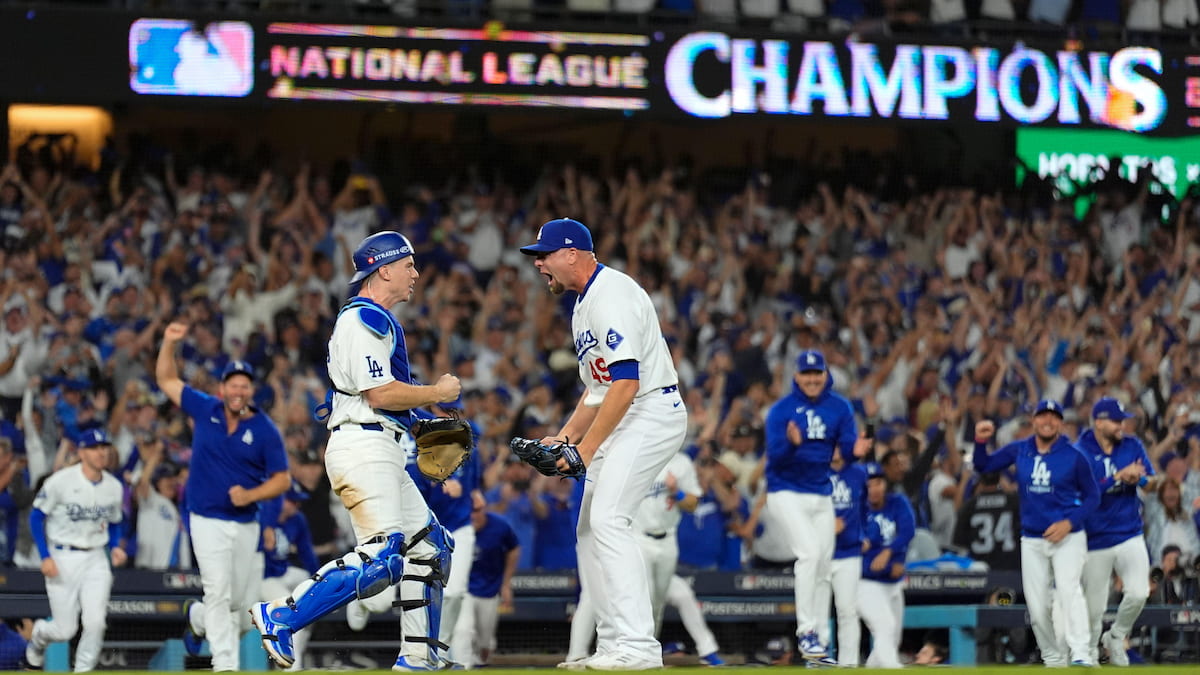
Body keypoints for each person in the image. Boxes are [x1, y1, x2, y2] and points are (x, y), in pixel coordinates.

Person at [249, 231, 463, 671]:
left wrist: (416, 422)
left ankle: (419, 659)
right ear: (384, 268)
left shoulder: (372, 319)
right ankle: (281, 615)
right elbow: (380, 394)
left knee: (431, 548)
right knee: (382, 558)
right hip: (362, 444)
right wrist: (436, 392)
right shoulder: (365, 318)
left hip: (374, 438)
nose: (415, 273)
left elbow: (367, 397)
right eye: (408, 264)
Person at [519, 217, 687, 670]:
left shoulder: (610, 295)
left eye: (544, 255)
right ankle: (614, 644)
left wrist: (585, 451)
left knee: (611, 519)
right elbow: (598, 393)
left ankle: (638, 647)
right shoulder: (582, 304)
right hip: (626, 412)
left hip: (651, 410)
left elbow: (627, 384)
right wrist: (564, 438)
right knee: (590, 529)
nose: (538, 265)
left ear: (572, 253)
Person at [157, 333, 290, 673]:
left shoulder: (265, 429)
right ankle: (224, 665)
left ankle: (197, 617)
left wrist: (251, 495)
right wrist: (170, 343)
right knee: (217, 592)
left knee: (240, 607)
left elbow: (282, 479)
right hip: (205, 519)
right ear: (222, 389)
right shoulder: (205, 408)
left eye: (244, 386)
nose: (238, 391)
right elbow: (166, 379)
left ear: (251, 391)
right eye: (233, 385)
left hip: (245, 522)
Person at [972, 399, 1100, 667]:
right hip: (1032, 538)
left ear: (1061, 424)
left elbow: (1093, 497)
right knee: (1037, 606)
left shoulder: (1075, 456)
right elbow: (984, 466)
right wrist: (980, 442)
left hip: (1068, 536)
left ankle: (1081, 653)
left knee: (1069, 590)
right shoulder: (1020, 450)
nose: (1048, 421)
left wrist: (1069, 522)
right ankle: (1053, 657)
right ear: (1033, 421)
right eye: (1043, 416)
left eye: (1054, 417)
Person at [763, 349, 870, 661]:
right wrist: (790, 444)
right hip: (785, 491)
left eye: (817, 373)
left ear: (825, 375)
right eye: (806, 374)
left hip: (820, 492)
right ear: (796, 376)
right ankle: (806, 631)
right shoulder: (781, 411)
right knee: (809, 554)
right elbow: (775, 458)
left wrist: (856, 451)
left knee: (823, 565)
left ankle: (820, 644)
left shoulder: (840, 407)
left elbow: (845, 452)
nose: (812, 379)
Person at [24, 428, 126, 672]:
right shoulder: (61, 481)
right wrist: (45, 556)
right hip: (62, 556)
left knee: (96, 622)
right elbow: (36, 517)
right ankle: (39, 636)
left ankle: (83, 670)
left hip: (95, 558)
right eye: (94, 448)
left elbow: (115, 522)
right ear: (81, 452)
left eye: (104, 447)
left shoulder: (113, 486)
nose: (101, 452)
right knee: (64, 629)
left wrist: (115, 547)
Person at [1077, 397, 1155, 667]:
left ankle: (1117, 635)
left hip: (1129, 532)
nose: (1122, 424)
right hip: (1095, 539)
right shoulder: (1081, 451)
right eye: (1116, 420)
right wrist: (1117, 477)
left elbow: (1153, 481)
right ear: (1099, 422)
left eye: (1123, 419)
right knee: (1094, 607)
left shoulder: (1132, 444)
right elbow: (1082, 494)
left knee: (1139, 592)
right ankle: (1089, 653)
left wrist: (1140, 479)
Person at [857, 468, 915, 669]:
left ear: (885, 484)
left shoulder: (897, 502)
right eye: (869, 484)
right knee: (885, 626)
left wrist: (891, 554)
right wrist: (889, 562)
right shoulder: (857, 510)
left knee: (891, 638)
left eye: (878, 483)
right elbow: (859, 553)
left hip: (893, 584)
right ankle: (895, 669)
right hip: (865, 583)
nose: (874, 489)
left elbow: (907, 531)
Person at [814, 448, 867, 666]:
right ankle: (818, 662)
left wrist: (866, 535)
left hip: (849, 552)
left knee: (848, 611)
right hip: (821, 553)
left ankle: (849, 664)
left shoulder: (859, 473)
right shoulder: (815, 473)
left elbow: (867, 508)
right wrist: (825, 526)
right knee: (818, 611)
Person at [454, 504, 520, 669]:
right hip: (465, 588)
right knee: (464, 629)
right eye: (470, 511)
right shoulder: (456, 524)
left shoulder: (500, 526)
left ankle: (482, 657)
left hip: (490, 589)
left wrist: (506, 584)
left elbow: (514, 549)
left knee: (484, 641)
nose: (473, 515)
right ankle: (463, 666)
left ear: (484, 509)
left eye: (477, 510)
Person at [951, 471, 1020, 571]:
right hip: (1010, 566)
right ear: (999, 479)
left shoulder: (970, 504)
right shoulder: (1013, 501)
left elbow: (959, 540)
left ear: (980, 481)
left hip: (979, 569)